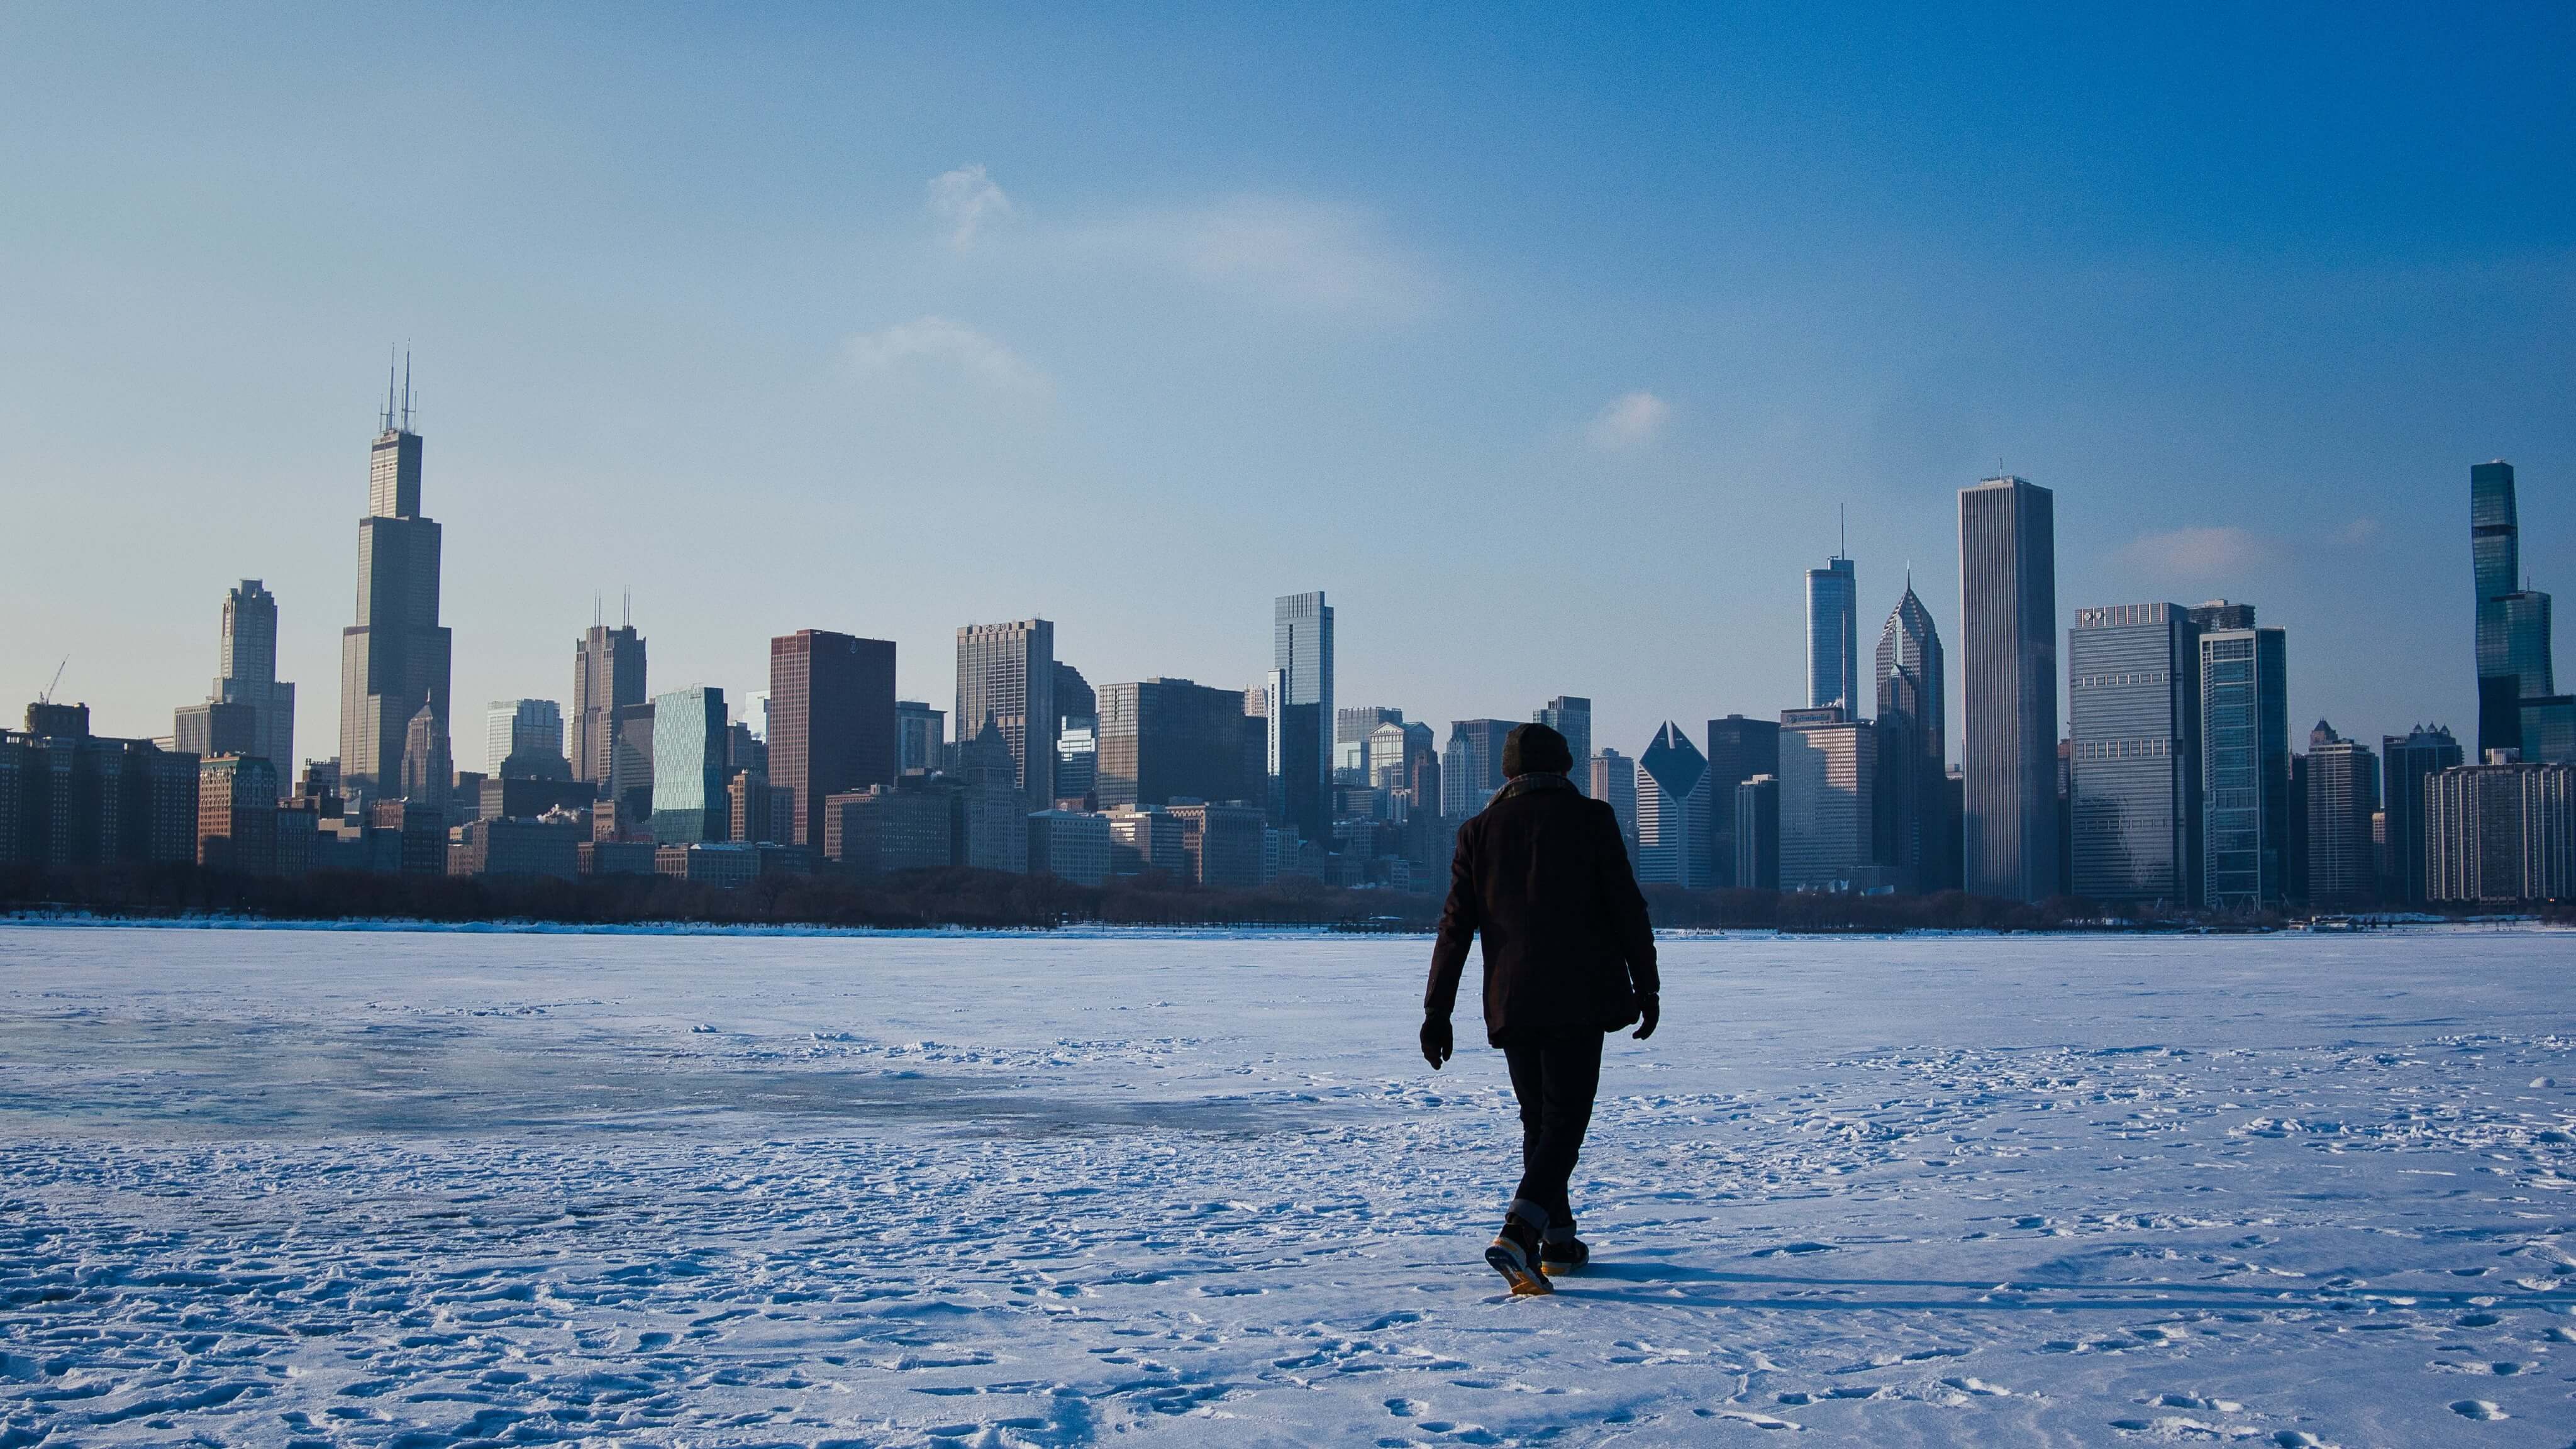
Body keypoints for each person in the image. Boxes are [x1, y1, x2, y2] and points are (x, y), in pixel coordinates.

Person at [1421, 721, 1658, 1296]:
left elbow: (1456, 928)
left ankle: (1558, 1241)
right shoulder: (1592, 820)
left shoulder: (1477, 831)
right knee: (1565, 1122)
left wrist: (1437, 1011)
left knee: (1540, 1121)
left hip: (1513, 1000)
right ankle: (1520, 1231)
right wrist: (1646, 986)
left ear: (1505, 773)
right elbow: (1627, 907)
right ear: (1567, 768)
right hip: (1580, 995)